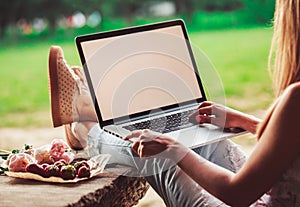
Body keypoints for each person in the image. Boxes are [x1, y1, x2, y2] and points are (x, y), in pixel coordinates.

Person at [48, 0, 300, 206]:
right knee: (212, 141)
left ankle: (85, 126)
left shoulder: (296, 97)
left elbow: (238, 194)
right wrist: (248, 122)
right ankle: (92, 117)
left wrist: (173, 147)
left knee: (160, 156)